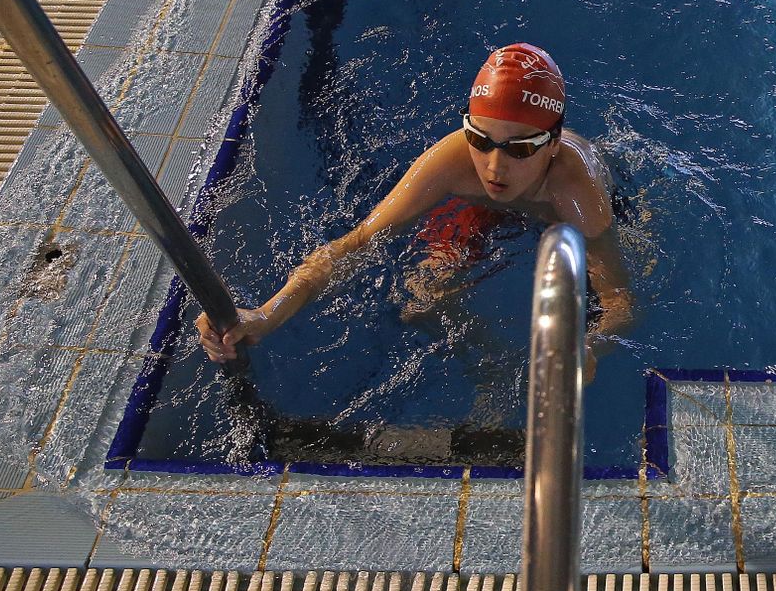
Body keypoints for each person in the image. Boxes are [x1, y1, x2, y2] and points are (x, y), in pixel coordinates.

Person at [195, 43, 635, 382]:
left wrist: (591, 346)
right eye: (480, 139)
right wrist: (266, 315)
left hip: (558, 216)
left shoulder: (578, 191)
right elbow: (354, 245)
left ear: (553, 143)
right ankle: (494, 370)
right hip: (484, 208)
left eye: (520, 148)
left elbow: (619, 301)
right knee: (420, 300)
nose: (495, 166)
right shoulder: (454, 162)